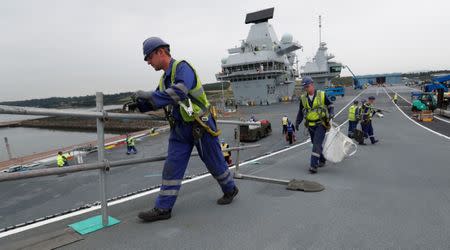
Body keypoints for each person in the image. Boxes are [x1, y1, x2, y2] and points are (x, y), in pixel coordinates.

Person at [128, 37, 238, 222]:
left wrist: (148, 95)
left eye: (149, 57)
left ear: (160, 52)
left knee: (214, 161)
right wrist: (139, 104)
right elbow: (158, 98)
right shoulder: (164, 80)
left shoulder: (182, 68)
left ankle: (230, 188)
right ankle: (163, 209)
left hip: (200, 125)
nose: (148, 62)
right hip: (180, 129)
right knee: (172, 165)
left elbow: (179, 91)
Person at [295, 77, 334, 174]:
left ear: (312, 85)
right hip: (310, 125)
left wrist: (331, 113)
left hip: (321, 124)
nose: (306, 89)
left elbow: (330, 105)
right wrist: (297, 122)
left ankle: (313, 165)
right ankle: (322, 160)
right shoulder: (303, 98)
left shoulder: (322, 94)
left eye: (307, 86)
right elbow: (301, 111)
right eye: (304, 88)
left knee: (316, 143)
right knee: (316, 143)